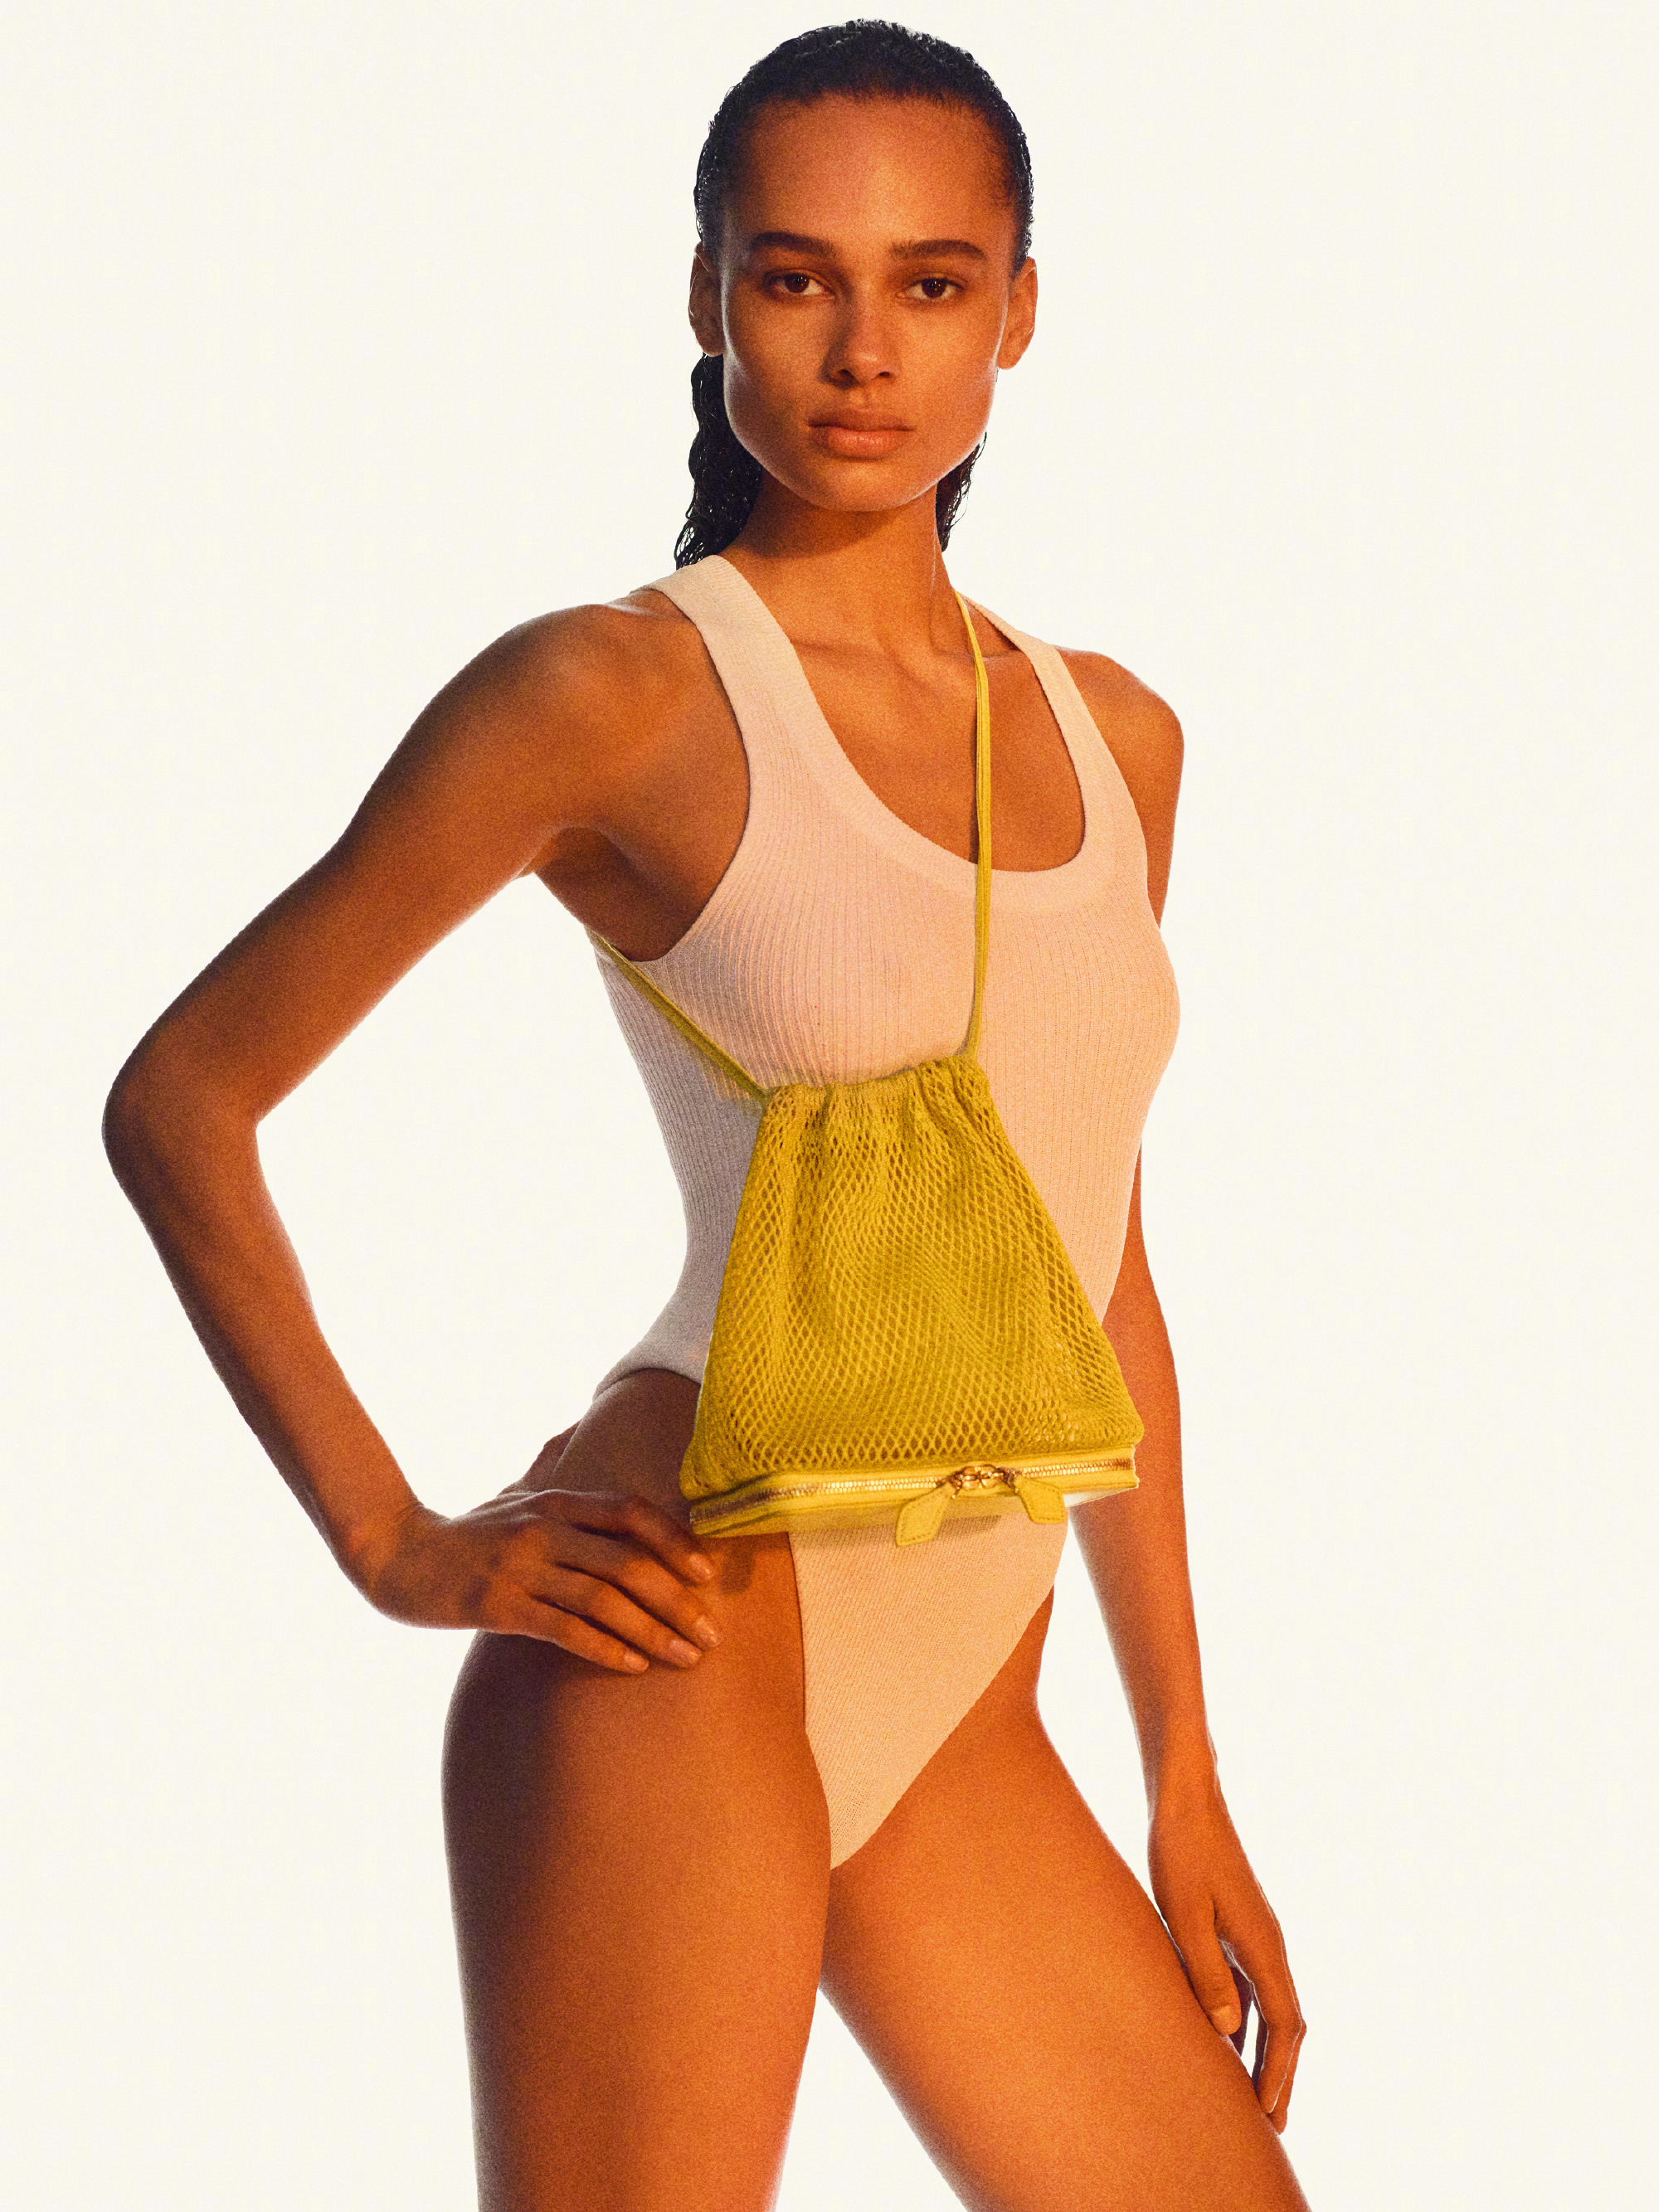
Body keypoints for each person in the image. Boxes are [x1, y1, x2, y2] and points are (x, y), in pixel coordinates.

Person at [105, 21, 1309, 2210]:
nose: (864, 351)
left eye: (932, 281)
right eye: (794, 274)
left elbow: (1100, 1263)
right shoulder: (617, 693)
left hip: (970, 1697)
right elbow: (184, 1098)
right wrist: (396, 1542)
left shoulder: (1117, 739)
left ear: (1021, 309)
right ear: (705, 294)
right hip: (681, 1623)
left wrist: (1186, 1762)